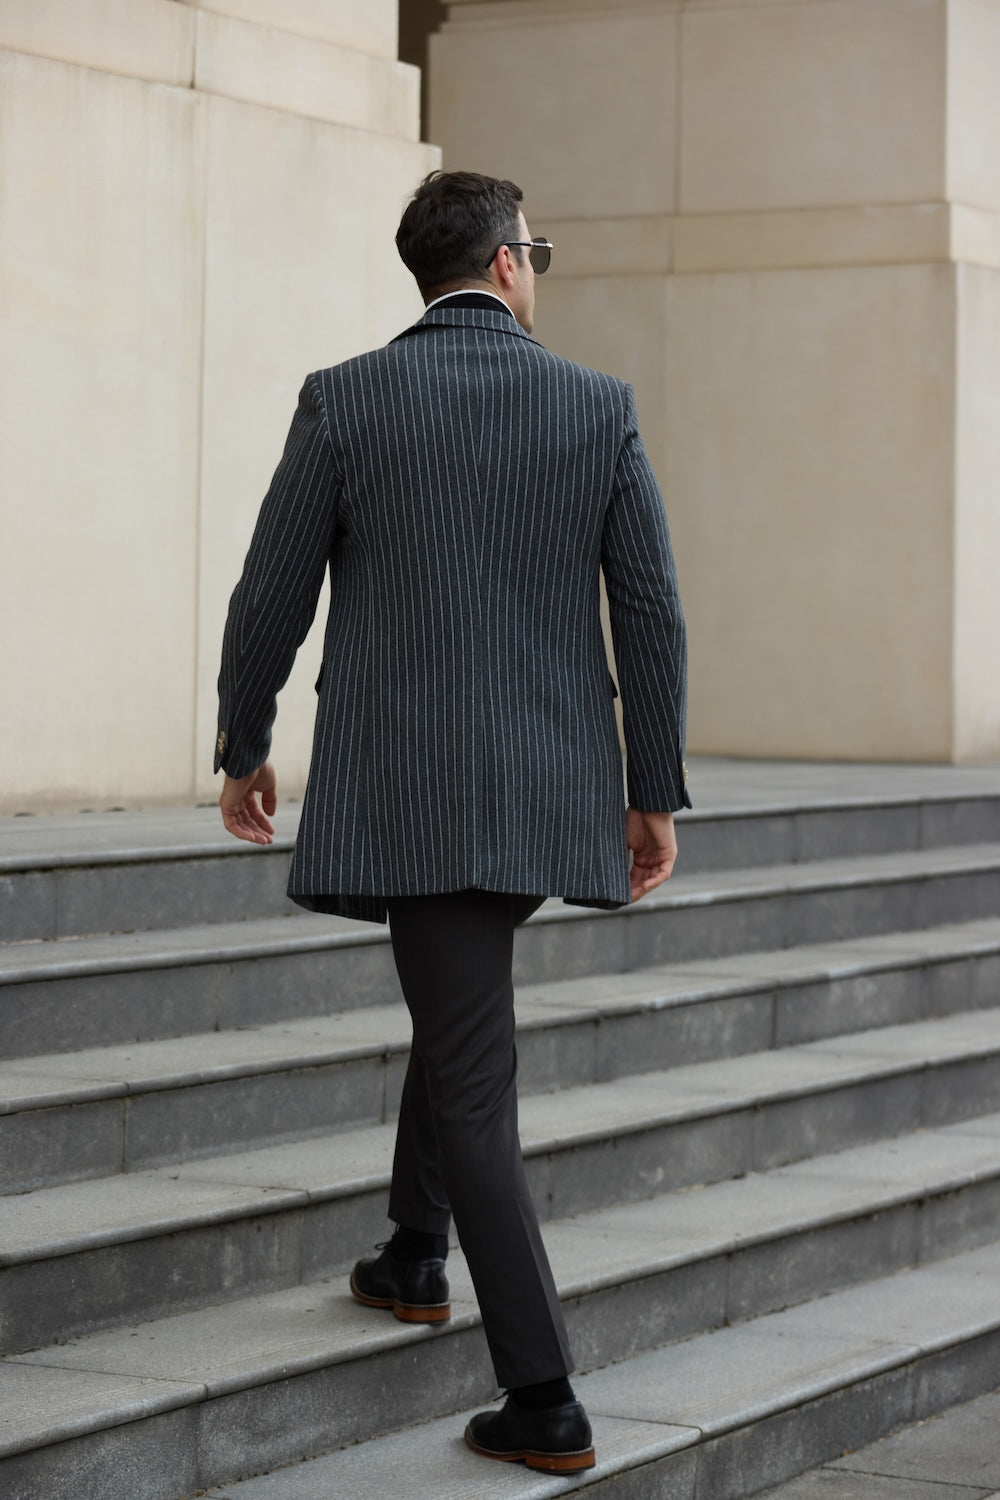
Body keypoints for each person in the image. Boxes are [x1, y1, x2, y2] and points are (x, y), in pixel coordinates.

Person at [215, 170, 690, 1475]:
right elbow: (649, 610)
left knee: (468, 1062)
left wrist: (244, 746)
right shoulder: (595, 407)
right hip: (548, 786)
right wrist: (653, 786)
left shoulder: (348, 398)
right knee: (463, 1011)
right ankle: (414, 1254)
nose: (538, 265)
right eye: (537, 247)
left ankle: (544, 1398)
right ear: (504, 263)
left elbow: (272, 592)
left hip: (414, 791)